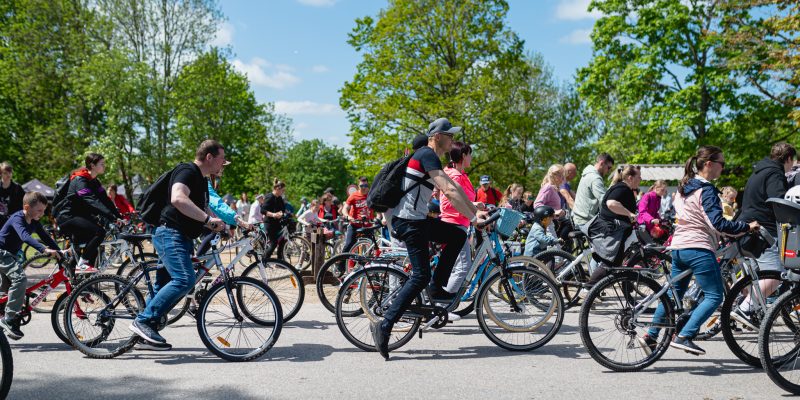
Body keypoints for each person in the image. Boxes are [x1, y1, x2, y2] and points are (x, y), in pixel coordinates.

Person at [372, 118, 482, 361]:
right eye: (450, 136)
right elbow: (449, 191)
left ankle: (437, 287)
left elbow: (454, 188)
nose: (453, 140)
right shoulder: (426, 154)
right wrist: (474, 218)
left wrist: (474, 212)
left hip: (417, 221)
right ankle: (385, 325)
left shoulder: (430, 158)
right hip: (408, 222)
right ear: (437, 136)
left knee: (457, 235)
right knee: (420, 275)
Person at [640, 146, 756, 355]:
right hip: (698, 248)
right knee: (715, 296)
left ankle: (651, 336)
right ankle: (684, 336)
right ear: (709, 164)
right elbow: (718, 223)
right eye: (722, 163)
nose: (723, 168)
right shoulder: (706, 189)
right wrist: (747, 227)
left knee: (674, 294)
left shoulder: (684, 187)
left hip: (679, 247)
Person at [129, 140, 226, 350]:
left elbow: (203, 209)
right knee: (185, 279)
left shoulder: (201, 180)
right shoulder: (187, 171)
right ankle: (143, 321)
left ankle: (145, 335)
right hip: (170, 234)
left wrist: (221, 224)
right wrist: (209, 221)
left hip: (180, 236)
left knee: (162, 286)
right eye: (222, 159)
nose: (224, 163)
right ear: (209, 157)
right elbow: (178, 198)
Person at [733, 142, 797, 328]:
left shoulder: (759, 170)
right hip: (763, 231)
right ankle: (745, 309)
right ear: (788, 158)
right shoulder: (775, 173)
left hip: (748, 228)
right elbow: (779, 202)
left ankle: (749, 309)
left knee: (759, 278)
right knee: (775, 275)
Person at [0, 192, 61, 339]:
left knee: (6, 290)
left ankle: (3, 315)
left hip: (11, 255)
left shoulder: (34, 221)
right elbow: (25, 236)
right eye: (39, 210)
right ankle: (9, 319)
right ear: (27, 207)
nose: (42, 214)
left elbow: (46, 237)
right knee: (20, 279)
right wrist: (44, 250)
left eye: (44, 210)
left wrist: (60, 251)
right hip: (2, 253)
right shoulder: (17, 219)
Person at [580, 165, 642, 296]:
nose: (641, 179)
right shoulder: (623, 188)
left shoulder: (622, 187)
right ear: (630, 178)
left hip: (610, 229)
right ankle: (587, 289)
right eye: (639, 177)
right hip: (610, 231)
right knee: (610, 261)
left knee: (614, 260)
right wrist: (629, 214)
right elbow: (611, 203)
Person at [56, 153, 122, 273]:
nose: (104, 166)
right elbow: (92, 200)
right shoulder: (80, 180)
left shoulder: (94, 181)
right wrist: (111, 216)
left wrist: (118, 216)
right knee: (99, 232)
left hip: (80, 218)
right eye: (102, 164)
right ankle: (82, 264)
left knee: (94, 251)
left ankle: (82, 280)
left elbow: (105, 199)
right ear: (92, 165)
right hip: (68, 217)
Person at [440, 142, 484, 314]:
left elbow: (464, 199)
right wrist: (473, 211)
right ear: (464, 155)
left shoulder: (461, 175)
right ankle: (442, 307)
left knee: (459, 265)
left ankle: (443, 303)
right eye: (470, 154)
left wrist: (476, 205)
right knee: (464, 266)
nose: (472, 157)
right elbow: (448, 204)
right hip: (454, 225)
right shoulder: (454, 176)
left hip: (461, 225)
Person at [572, 153, 615, 227]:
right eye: (609, 168)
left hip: (581, 219)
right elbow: (604, 200)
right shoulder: (595, 178)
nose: (609, 171)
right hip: (585, 222)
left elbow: (605, 195)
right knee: (616, 230)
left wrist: (614, 181)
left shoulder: (588, 174)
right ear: (602, 163)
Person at [341, 177, 376, 253]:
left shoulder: (371, 195)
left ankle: (367, 260)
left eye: (366, 185)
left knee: (372, 248)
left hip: (368, 225)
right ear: (358, 186)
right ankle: (342, 260)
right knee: (349, 245)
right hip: (355, 224)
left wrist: (381, 217)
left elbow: (378, 207)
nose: (364, 188)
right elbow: (344, 209)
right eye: (361, 186)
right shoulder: (354, 195)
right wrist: (348, 217)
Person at [534, 164, 567, 236]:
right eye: (561, 175)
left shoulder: (553, 188)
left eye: (563, 176)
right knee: (553, 244)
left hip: (551, 223)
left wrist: (560, 213)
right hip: (547, 225)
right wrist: (554, 211)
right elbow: (537, 205)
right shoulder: (548, 187)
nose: (563, 178)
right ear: (553, 175)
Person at [260, 179, 287, 258]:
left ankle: (279, 260)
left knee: (282, 240)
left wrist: (281, 213)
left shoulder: (279, 198)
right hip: (269, 223)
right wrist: (273, 215)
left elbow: (283, 209)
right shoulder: (269, 197)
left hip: (277, 223)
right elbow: (263, 210)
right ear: (277, 189)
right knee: (274, 243)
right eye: (283, 190)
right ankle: (264, 259)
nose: (283, 192)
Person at [0, 162, 24, 229]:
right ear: (0, 174)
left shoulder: (17, 188)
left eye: (10, 172)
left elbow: (24, 204)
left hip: (12, 220)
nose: (8, 175)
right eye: (5, 173)